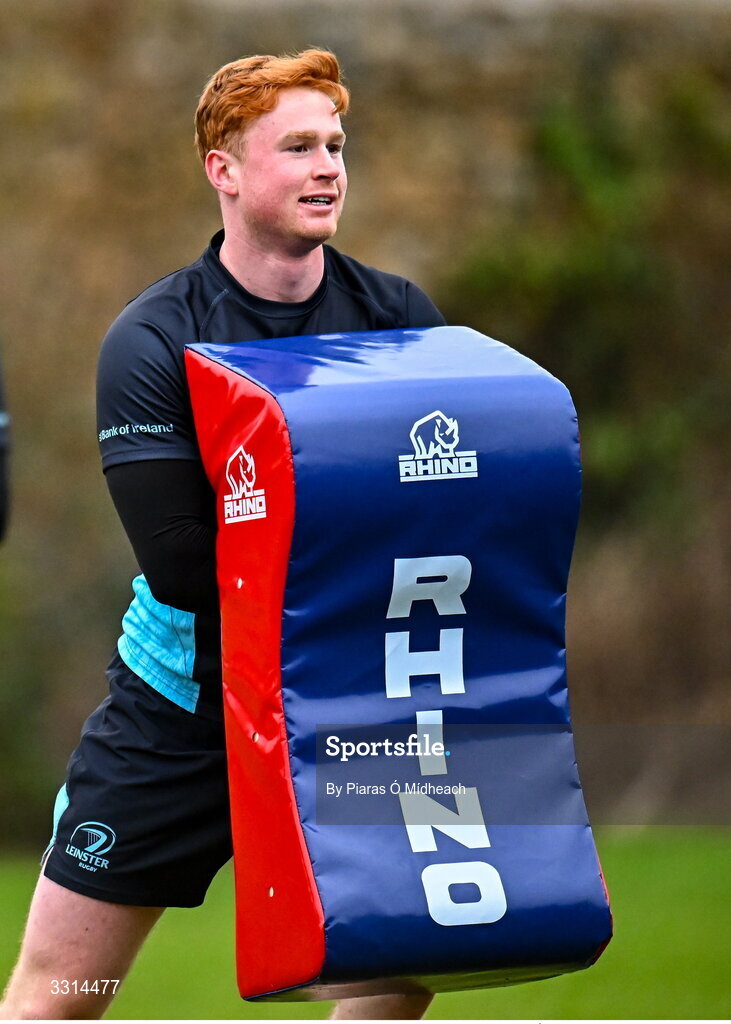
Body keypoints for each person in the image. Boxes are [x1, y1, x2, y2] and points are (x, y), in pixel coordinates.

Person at [1, 49, 443, 1020]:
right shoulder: (156, 339)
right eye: (296, 146)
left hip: (351, 701)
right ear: (223, 169)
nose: (328, 164)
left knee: (389, 977)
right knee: (60, 991)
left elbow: (447, 519)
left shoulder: (398, 321)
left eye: (334, 144)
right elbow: (184, 566)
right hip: (183, 706)